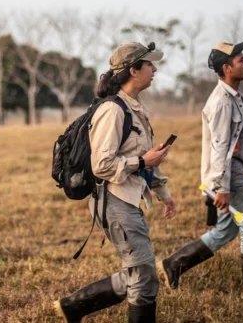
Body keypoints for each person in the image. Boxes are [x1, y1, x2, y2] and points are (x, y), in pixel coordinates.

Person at [54, 42, 177, 323]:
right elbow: (103, 165)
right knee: (144, 276)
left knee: (138, 272)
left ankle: (74, 307)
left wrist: (162, 191)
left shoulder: (135, 108)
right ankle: (75, 306)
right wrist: (144, 161)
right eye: (149, 65)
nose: (155, 69)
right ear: (134, 70)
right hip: (113, 201)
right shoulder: (113, 111)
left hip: (127, 198)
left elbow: (142, 157)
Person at [157, 41, 243, 293]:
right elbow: (220, 148)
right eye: (241, 61)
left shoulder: (235, 97)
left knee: (226, 230)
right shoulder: (222, 102)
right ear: (227, 68)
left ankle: (173, 264)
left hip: (234, 173)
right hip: (230, 175)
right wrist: (221, 187)